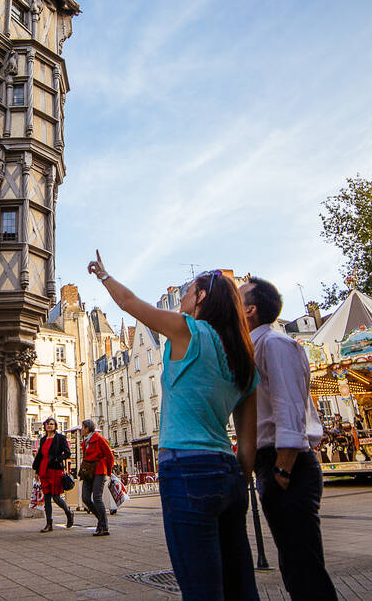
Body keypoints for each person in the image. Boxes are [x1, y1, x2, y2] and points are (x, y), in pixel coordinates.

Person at [89, 253, 259, 599]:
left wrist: (104, 275)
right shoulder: (244, 356)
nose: (181, 297)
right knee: (240, 582)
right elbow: (248, 441)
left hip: (187, 467)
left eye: (187, 292)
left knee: (200, 585)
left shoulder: (189, 332)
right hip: (228, 471)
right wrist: (237, 477)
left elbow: (129, 303)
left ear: (201, 299)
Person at [239, 277, 337, 600]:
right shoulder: (255, 347)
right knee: (295, 564)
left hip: (288, 466)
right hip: (273, 465)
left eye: (238, 300)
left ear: (251, 310)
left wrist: (283, 466)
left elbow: (289, 404)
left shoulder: (274, 344)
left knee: (304, 566)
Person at [31, 417, 74, 532]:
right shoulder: (43, 439)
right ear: (45, 426)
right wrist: (36, 470)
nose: (49, 426)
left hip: (55, 470)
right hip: (44, 469)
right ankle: (49, 524)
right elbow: (40, 455)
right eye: (47, 424)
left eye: (52, 424)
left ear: (55, 426)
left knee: (56, 497)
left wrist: (57, 459)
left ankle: (68, 513)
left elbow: (67, 453)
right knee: (47, 497)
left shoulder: (60, 438)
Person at [79, 418, 114, 535]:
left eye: (82, 427)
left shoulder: (99, 439)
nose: (81, 429)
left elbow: (109, 455)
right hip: (88, 471)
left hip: (99, 470)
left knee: (97, 497)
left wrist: (108, 472)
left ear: (87, 428)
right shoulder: (85, 441)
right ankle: (101, 520)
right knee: (85, 498)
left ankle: (104, 527)